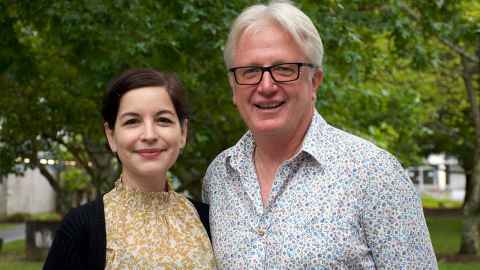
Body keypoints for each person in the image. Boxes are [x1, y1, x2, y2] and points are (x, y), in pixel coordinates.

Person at [202, 0, 437, 269]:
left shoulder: (374, 174)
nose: (266, 86)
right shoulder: (219, 177)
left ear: (314, 82)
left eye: (284, 69)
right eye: (251, 71)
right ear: (233, 87)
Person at [44, 69, 216, 269]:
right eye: (132, 121)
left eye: (163, 120)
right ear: (111, 136)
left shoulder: (208, 220)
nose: (149, 135)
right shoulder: (81, 228)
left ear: (183, 132)